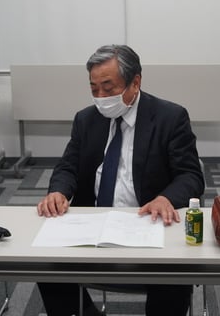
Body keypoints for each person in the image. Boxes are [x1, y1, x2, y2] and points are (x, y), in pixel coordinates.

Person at [36, 45, 204, 316]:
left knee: (174, 274)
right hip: (93, 224)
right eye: (94, 89)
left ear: (135, 83)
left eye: (108, 87)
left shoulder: (170, 118)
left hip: (147, 222)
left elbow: (190, 175)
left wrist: (165, 198)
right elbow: (68, 166)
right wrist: (58, 192)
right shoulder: (86, 119)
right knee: (46, 265)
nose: (101, 97)